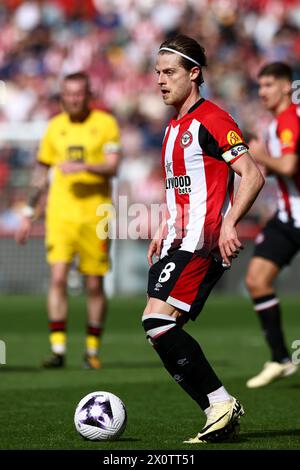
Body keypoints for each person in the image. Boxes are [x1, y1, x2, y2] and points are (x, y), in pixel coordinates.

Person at [142, 35, 264, 444]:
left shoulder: (212, 118)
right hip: (177, 239)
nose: (160, 80)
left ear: (195, 73)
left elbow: (252, 175)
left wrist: (230, 222)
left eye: (169, 72)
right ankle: (218, 408)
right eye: (157, 72)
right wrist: (164, 225)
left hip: (201, 242)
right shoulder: (173, 126)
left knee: (156, 321)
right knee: (160, 327)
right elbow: (182, 186)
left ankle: (220, 402)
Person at [15, 72, 121, 369]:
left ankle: (92, 350)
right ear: (62, 95)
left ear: (89, 95)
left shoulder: (106, 124)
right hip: (60, 216)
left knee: (93, 283)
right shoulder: (54, 127)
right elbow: (40, 174)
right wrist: (27, 214)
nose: (74, 99)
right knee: (58, 278)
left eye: (79, 94)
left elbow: (113, 166)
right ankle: (58, 349)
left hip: (96, 215)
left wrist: (83, 166)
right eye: (69, 94)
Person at [245, 62, 299, 388]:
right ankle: (280, 357)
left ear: (283, 87)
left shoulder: (289, 119)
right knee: (256, 279)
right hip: (287, 216)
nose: (262, 91)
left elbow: (290, 165)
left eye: (268, 85)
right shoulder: (275, 123)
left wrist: (261, 156)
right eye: (260, 85)